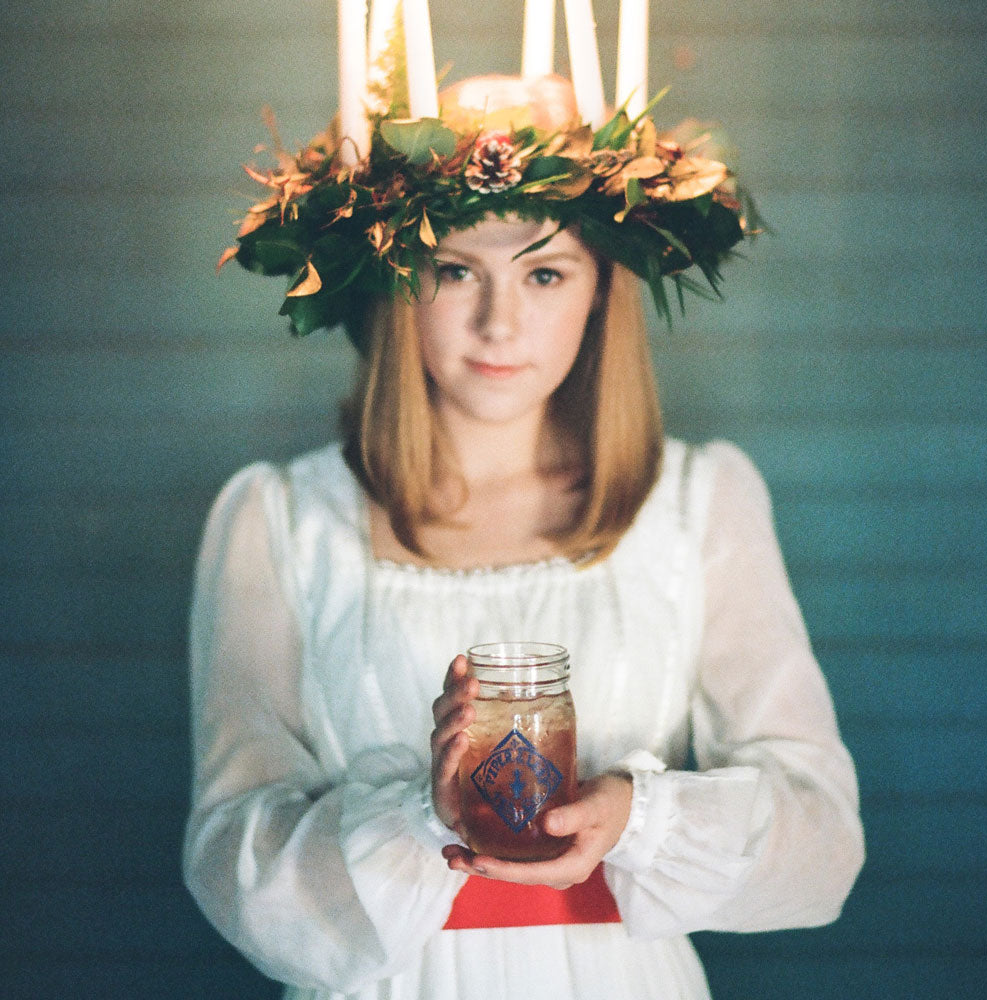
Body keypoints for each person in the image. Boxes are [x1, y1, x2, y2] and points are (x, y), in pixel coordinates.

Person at [185, 74, 864, 1000]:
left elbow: (822, 842)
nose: (499, 321)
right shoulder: (280, 520)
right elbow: (234, 863)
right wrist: (421, 817)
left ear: (601, 292)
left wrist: (635, 817)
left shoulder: (699, 501)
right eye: (455, 269)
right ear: (396, 283)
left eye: (545, 273)